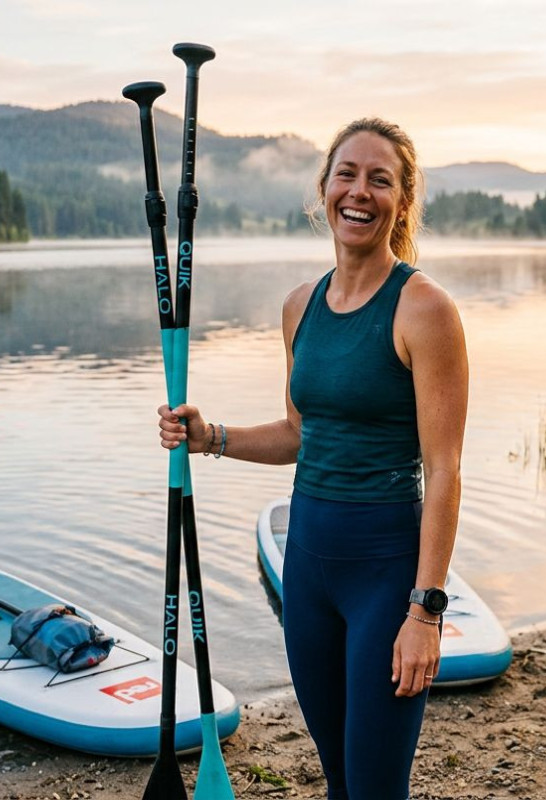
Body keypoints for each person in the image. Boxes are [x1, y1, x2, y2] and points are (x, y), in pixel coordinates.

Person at [157, 117, 468, 800]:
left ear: (402, 200)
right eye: (347, 175)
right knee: (336, 778)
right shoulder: (300, 306)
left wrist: (426, 612)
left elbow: (444, 470)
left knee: (375, 787)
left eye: (380, 179)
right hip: (308, 573)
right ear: (324, 189)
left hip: (386, 577)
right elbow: (301, 434)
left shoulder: (425, 310)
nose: (360, 192)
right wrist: (213, 437)